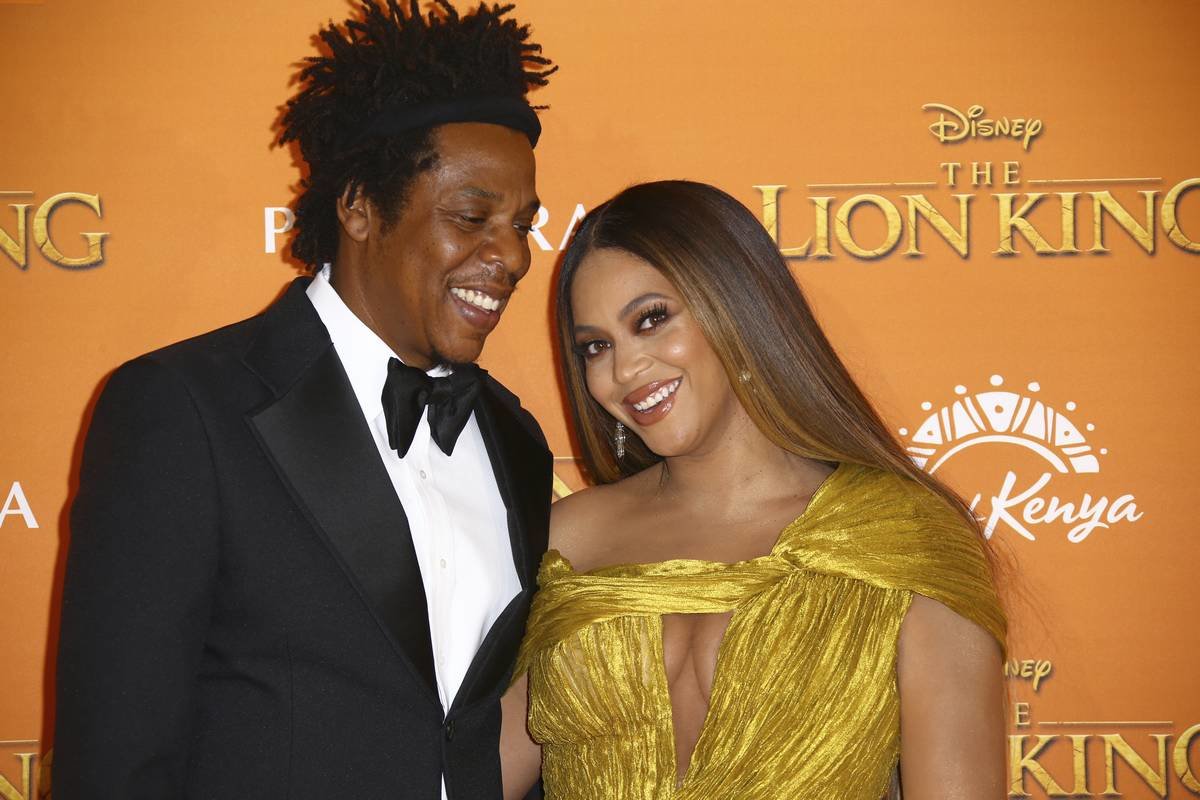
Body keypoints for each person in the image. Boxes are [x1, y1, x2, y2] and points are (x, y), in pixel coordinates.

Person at [53, 2, 554, 797]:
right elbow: (116, 762)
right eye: (471, 217)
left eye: (523, 225)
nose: (513, 257)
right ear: (358, 207)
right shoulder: (183, 410)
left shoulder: (513, 437)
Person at [499, 181, 1007, 799]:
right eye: (597, 346)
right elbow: (475, 775)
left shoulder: (903, 539)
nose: (623, 370)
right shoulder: (566, 539)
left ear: (736, 309)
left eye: (652, 320)